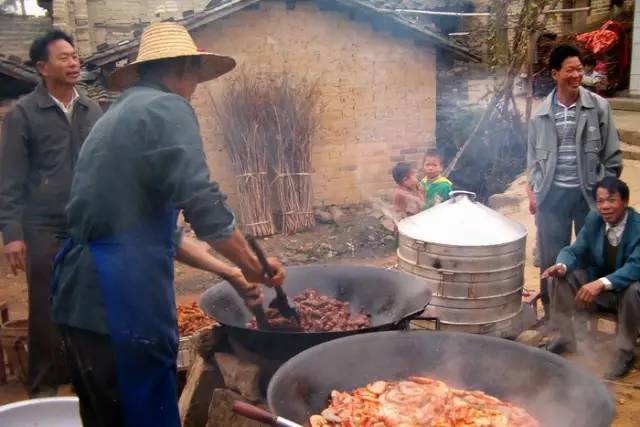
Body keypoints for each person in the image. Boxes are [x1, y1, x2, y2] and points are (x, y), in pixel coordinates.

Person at [49, 22, 285, 427]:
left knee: (106, 417)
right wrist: (254, 266)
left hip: (79, 299)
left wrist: (229, 271)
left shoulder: (122, 111)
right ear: (183, 69)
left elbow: (164, 235)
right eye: (195, 75)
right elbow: (204, 206)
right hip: (118, 301)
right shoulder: (168, 108)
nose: (195, 87)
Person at [0, 30, 102, 396]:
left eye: (75, 56)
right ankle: (42, 389)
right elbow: (9, 178)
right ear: (43, 68)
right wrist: (12, 233)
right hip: (42, 224)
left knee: (87, 302)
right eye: (64, 57)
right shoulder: (23, 114)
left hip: (86, 223)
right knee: (45, 307)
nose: (74, 62)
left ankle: (81, 381)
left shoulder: (91, 109)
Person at [527, 43, 622, 319]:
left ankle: (585, 316)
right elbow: (532, 159)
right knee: (551, 258)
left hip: (588, 196)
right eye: (570, 70)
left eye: (580, 69)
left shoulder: (599, 107)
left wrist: (605, 193)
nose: (576, 75)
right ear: (555, 73)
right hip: (552, 196)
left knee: (589, 256)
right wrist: (533, 190)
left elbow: (612, 156)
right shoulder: (541, 113)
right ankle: (554, 317)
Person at [542, 177, 640, 379]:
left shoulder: (638, 227)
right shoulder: (594, 220)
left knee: (635, 289)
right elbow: (576, 250)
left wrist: (601, 283)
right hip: (601, 291)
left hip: (629, 296)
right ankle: (565, 336)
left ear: (625, 201)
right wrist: (562, 265)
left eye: (611, 200)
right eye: (600, 201)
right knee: (560, 277)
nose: (605, 206)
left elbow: (635, 266)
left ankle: (625, 351)